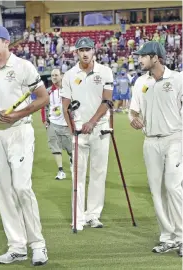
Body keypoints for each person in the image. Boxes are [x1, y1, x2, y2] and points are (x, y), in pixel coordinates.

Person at [0, 25, 49, 265]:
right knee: (5, 192)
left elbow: (43, 97)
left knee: (21, 187)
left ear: (6, 42)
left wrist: (18, 115)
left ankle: (38, 245)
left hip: (19, 132)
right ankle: (17, 247)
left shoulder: (23, 66)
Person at [129, 41, 182, 257]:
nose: (139, 59)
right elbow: (133, 112)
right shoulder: (140, 82)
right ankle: (167, 237)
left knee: (172, 186)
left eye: (143, 56)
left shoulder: (178, 79)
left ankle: (181, 236)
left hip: (174, 139)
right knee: (157, 191)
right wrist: (133, 120)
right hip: (150, 141)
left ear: (156, 58)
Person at [60, 37, 113, 231]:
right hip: (78, 131)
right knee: (78, 175)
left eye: (87, 49)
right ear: (76, 52)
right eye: (81, 49)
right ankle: (78, 217)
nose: (84, 53)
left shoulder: (105, 72)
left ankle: (93, 215)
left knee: (99, 173)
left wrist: (92, 121)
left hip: (100, 128)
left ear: (94, 51)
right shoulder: (69, 75)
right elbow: (65, 105)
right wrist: (70, 127)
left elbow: (107, 101)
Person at [41, 68, 72, 180]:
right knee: (54, 146)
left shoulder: (68, 90)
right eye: (52, 75)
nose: (54, 77)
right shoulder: (48, 91)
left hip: (66, 124)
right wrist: (44, 120)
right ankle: (61, 171)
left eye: (56, 75)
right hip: (52, 123)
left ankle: (72, 160)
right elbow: (43, 106)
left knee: (70, 148)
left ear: (61, 76)